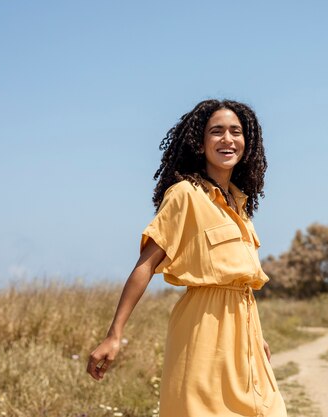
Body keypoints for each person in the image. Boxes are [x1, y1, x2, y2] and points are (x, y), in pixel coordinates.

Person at [87, 99, 288, 417]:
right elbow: (146, 265)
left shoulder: (240, 204)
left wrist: (256, 337)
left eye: (235, 131)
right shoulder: (185, 195)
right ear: (200, 142)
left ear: (247, 142)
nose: (227, 139)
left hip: (245, 331)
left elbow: (241, 281)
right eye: (216, 131)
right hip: (203, 329)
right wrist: (115, 335)